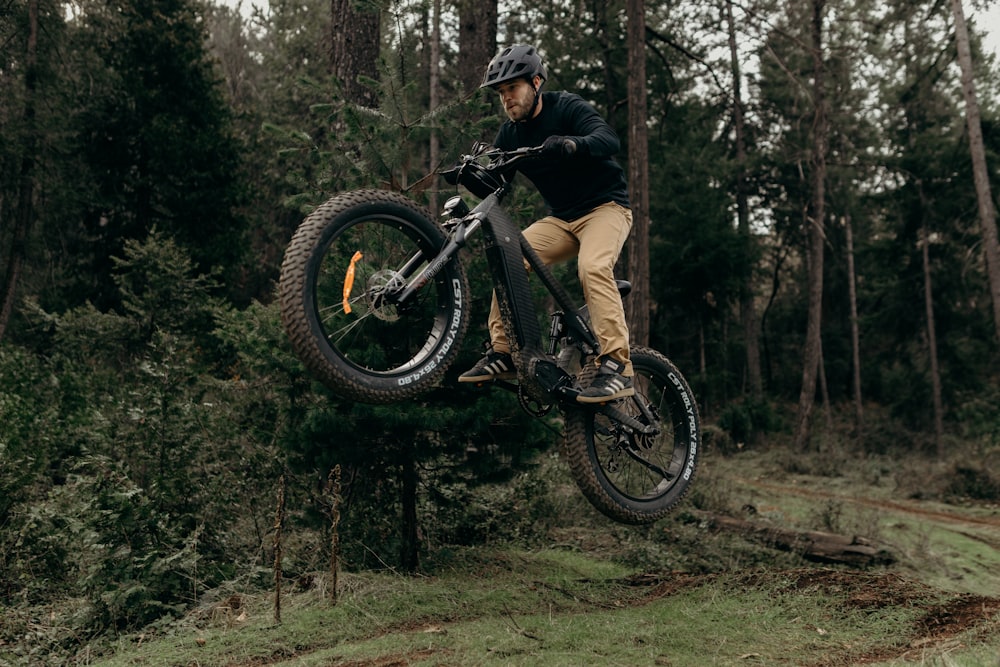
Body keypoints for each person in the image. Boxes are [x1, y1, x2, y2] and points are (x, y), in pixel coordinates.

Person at [458, 44, 635, 404]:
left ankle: (617, 364)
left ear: (536, 82)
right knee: (509, 257)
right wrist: (471, 178)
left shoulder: (565, 107)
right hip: (562, 220)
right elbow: (497, 185)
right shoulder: (510, 134)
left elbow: (608, 139)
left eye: (513, 88)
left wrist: (571, 143)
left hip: (606, 208)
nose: (507, 98)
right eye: (502, 92)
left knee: (592, 266)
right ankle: (505, 352)